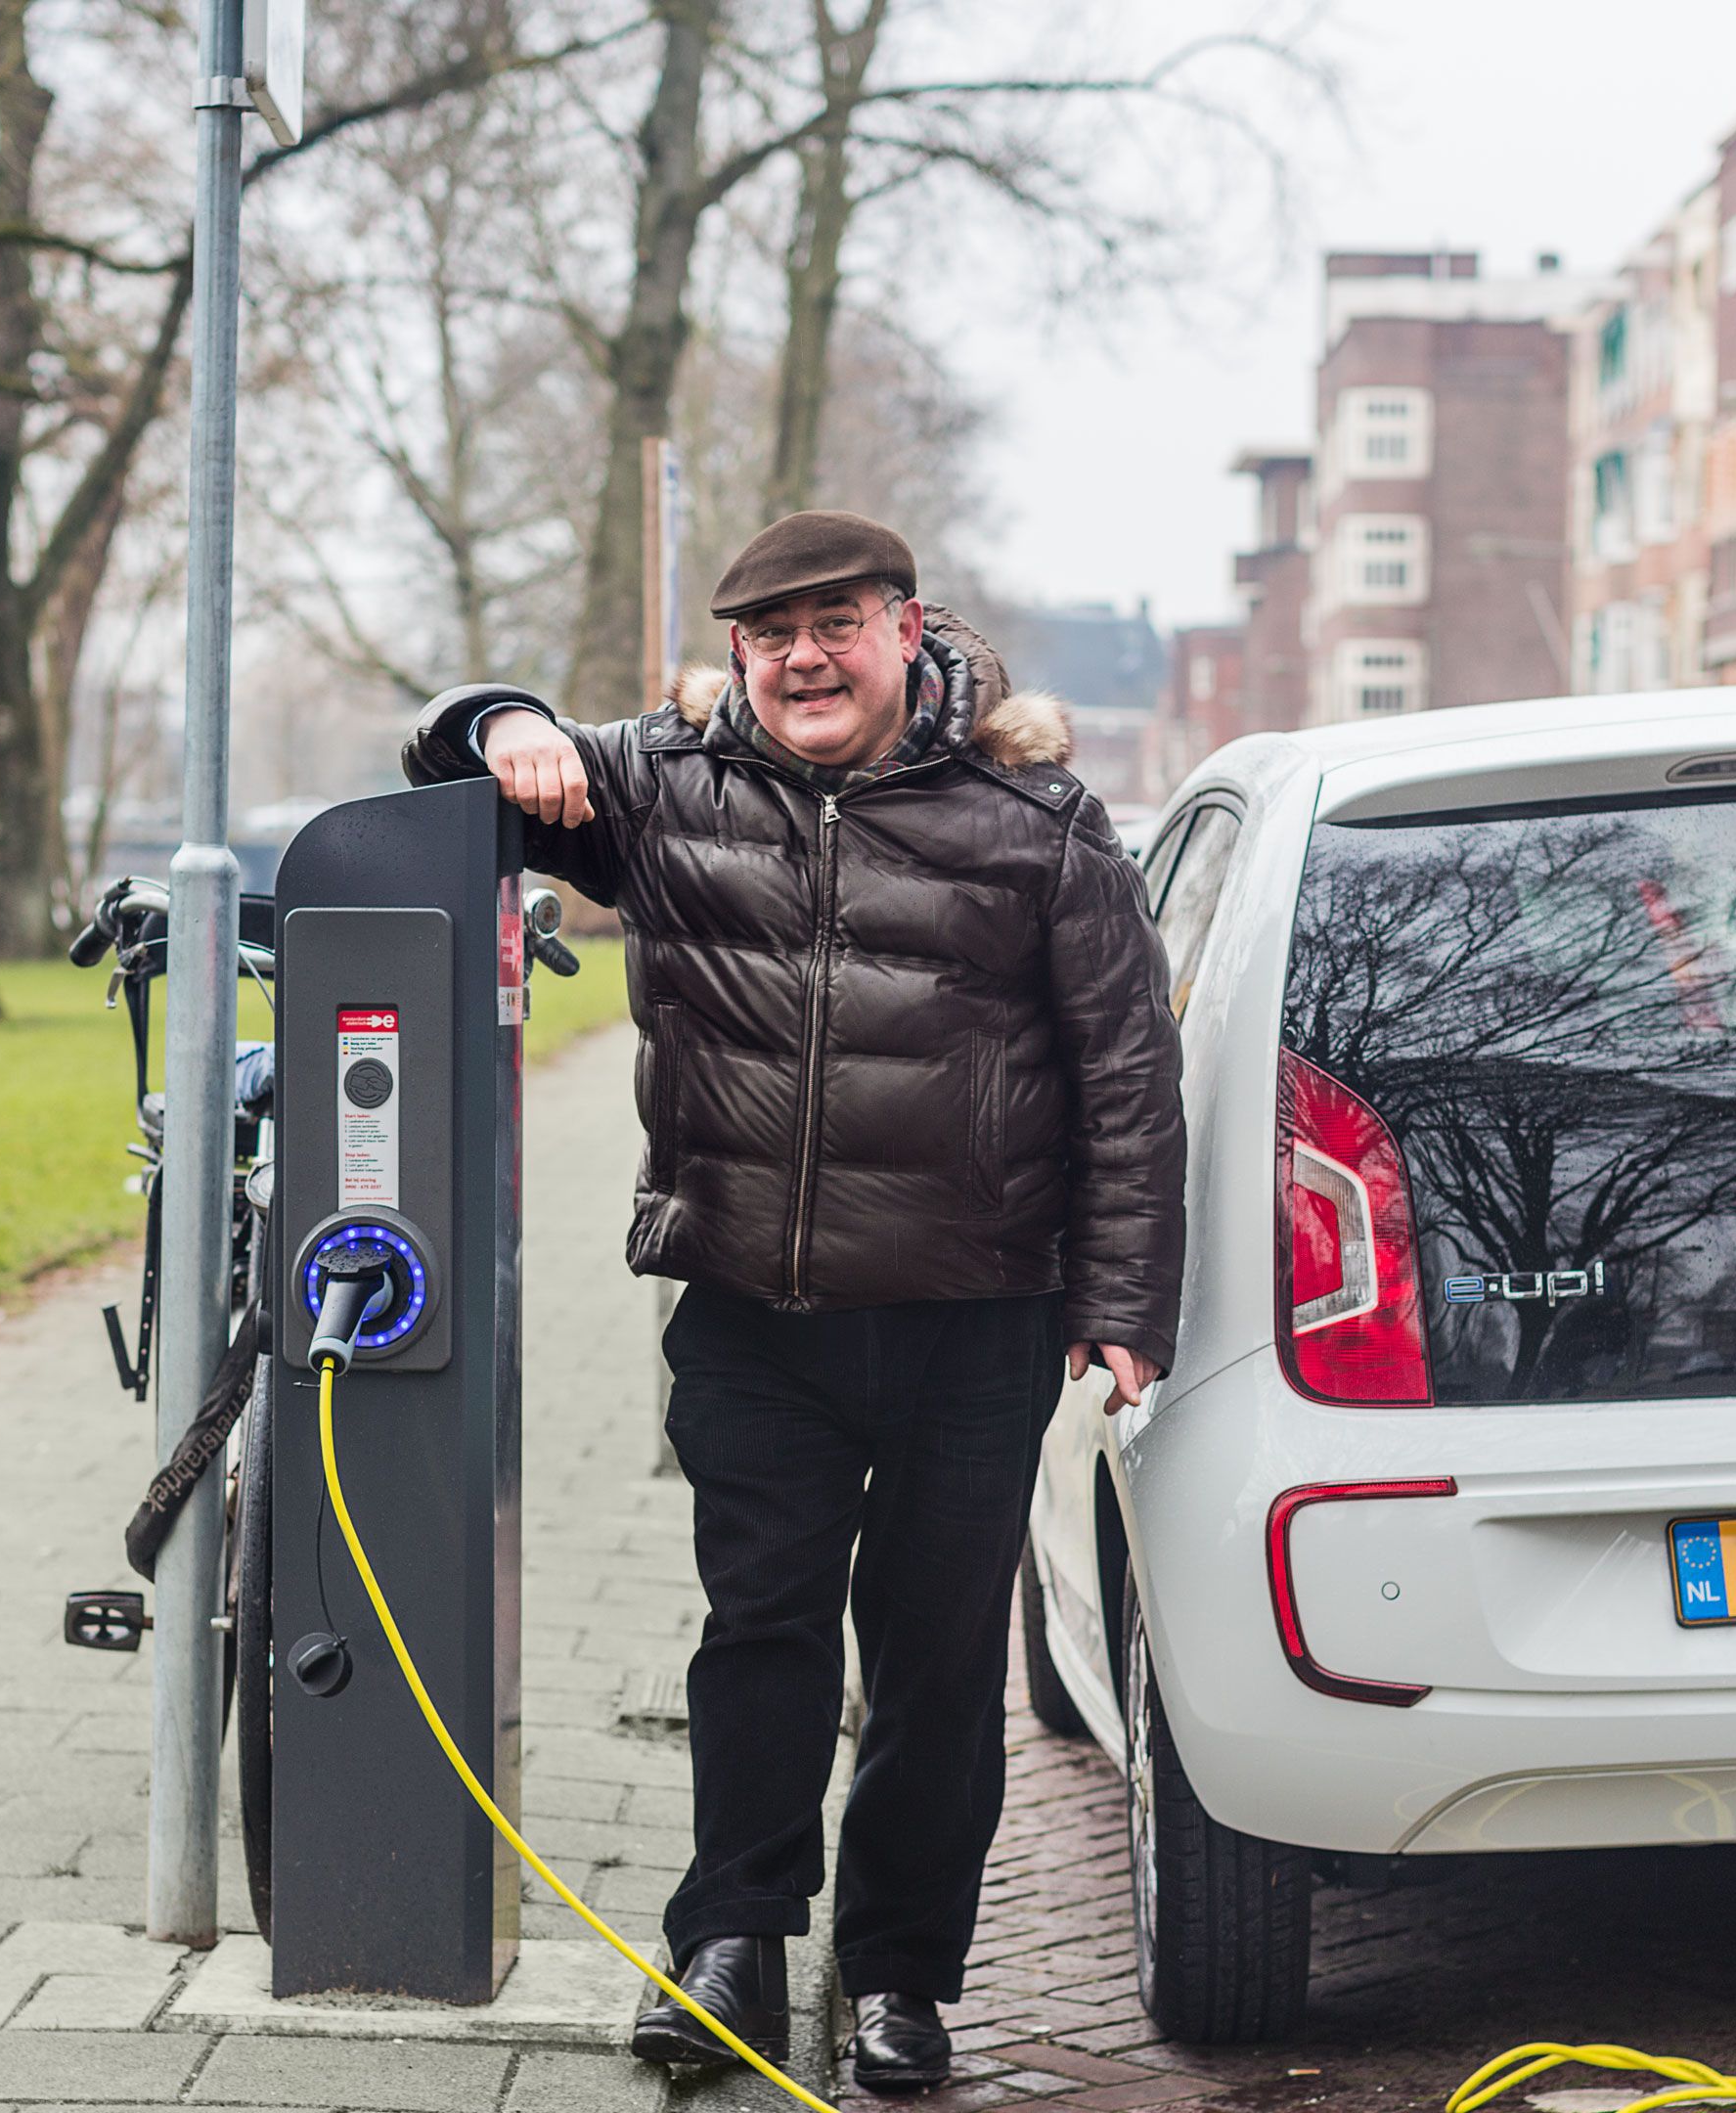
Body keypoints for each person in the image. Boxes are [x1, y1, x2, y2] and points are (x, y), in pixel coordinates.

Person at [402, 510, 1184, 2095]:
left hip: (975, 1322)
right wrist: (510, 726)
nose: (804, 659)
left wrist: (1122, 1298)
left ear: (909, 628)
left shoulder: (1036, 819)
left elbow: (1128, 1078)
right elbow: (439, 768)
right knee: (758, 1628)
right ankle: (733, 1945)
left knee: (938, 1656)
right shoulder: (667, 788)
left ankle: (900, 1975)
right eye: (772, 635)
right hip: (752, 1308)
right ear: (739, 655)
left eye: (836, 623)